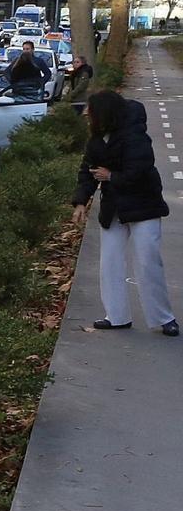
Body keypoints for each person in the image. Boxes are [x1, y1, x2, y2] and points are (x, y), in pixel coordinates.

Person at [72, 90, 177, 335]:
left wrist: (111, 176)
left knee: (148, 261)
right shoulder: (96, 140)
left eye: (91, 111)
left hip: (144, 205)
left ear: (104, 114)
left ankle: (164, 318)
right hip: (114, 207)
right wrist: (80, 202)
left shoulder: (134, 136)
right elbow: (87, 172)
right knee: (110, 262)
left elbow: (140, 170)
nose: (86, 115)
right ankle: (116, 316)